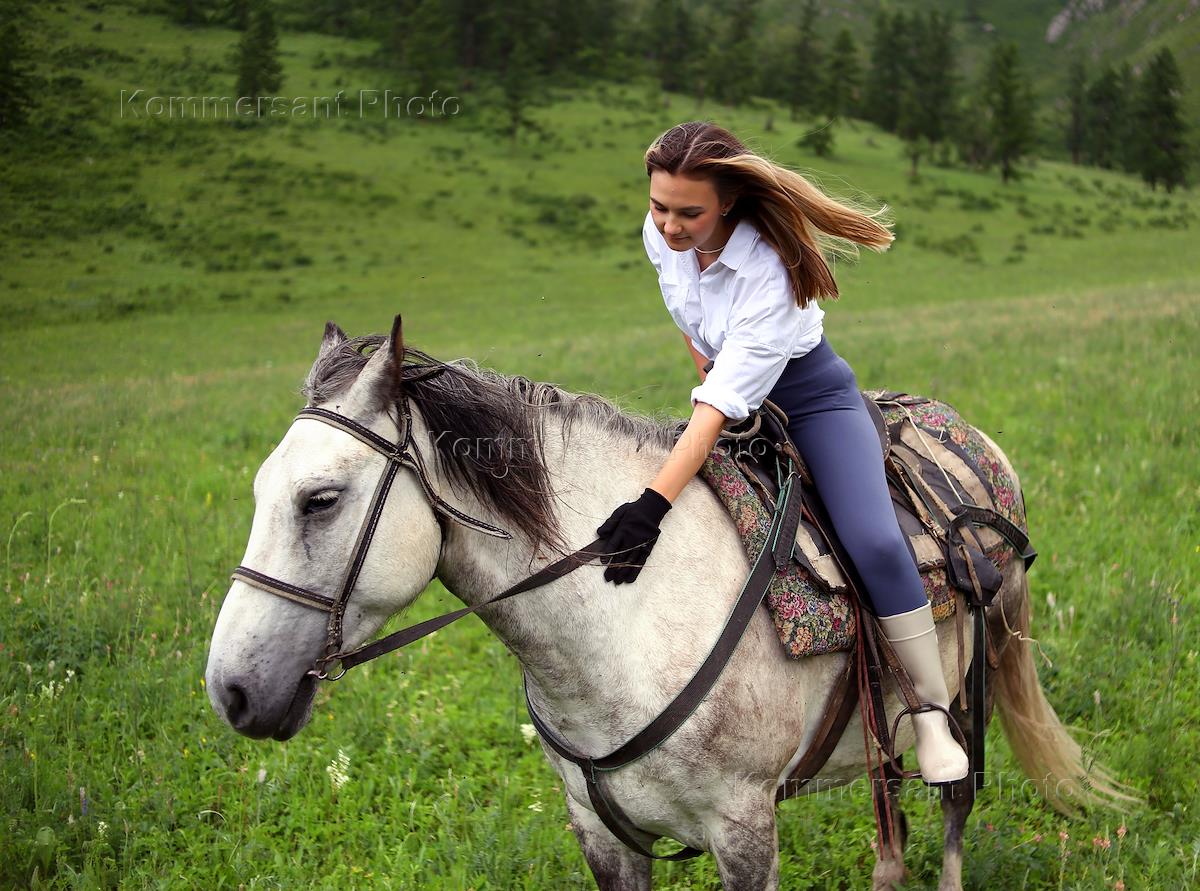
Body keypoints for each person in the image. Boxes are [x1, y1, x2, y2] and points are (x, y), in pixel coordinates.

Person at [595, 121, 968, 785]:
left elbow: (716, 409)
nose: (670, 226)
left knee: (874, 540)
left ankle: (934, 713)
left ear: (729, 202)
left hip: (811, 399)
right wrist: (712, 376)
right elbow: (697, 330)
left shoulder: (770, 270)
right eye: (659, 206)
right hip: (728, 392)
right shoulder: (658, 237)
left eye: (690, 212)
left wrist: (652, 502)